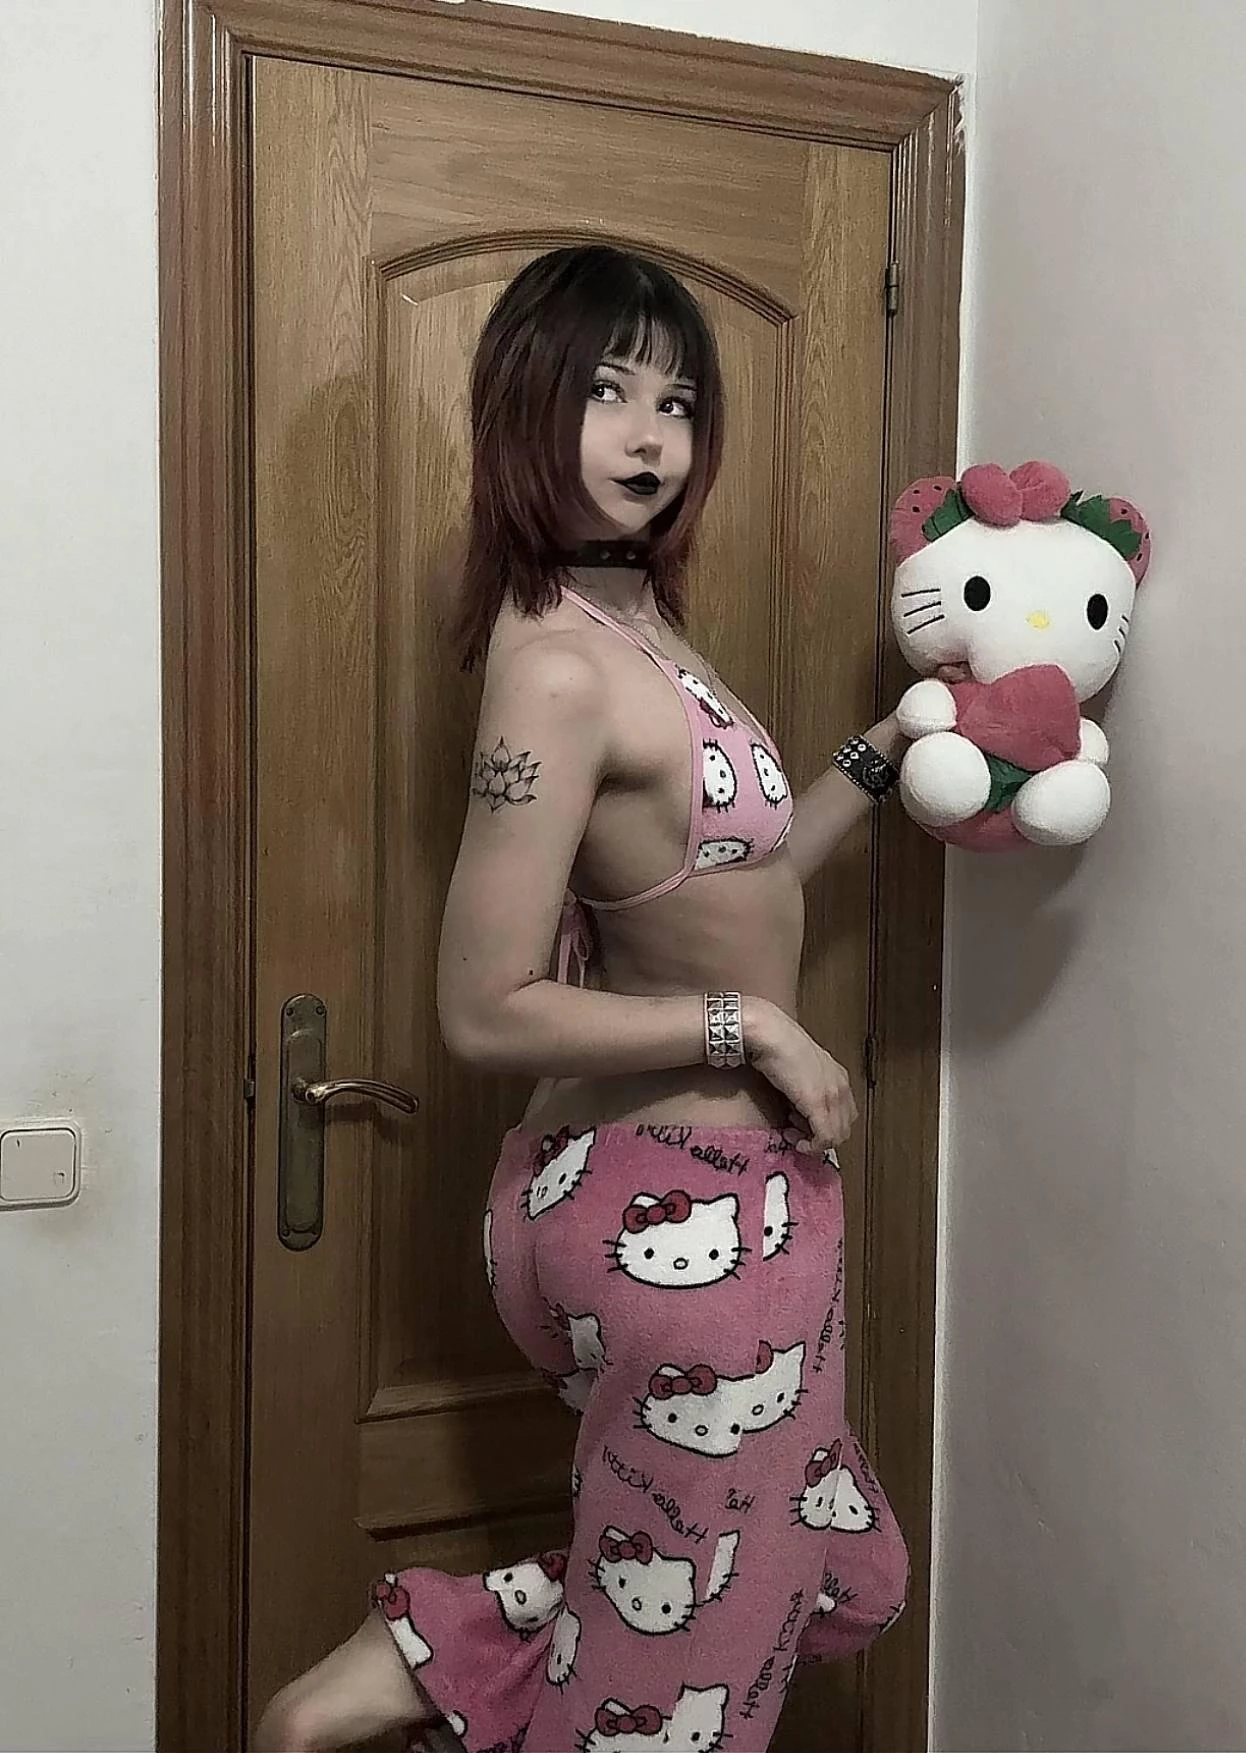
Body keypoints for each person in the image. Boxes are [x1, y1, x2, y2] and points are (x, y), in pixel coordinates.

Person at [255, 244, 910, 1753]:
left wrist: (879, 753)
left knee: (836, 1572)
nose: (647, 435)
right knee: (673, 1700)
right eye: (607, 391)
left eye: (676, 402)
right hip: (669, 1200)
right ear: (524, 406)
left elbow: (740, 887)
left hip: (743, 1192)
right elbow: (484, 1009)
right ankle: (433, 1662)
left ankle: (436, 1653)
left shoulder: (635, 627)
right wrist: (752, 1029)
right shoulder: (556, 664)